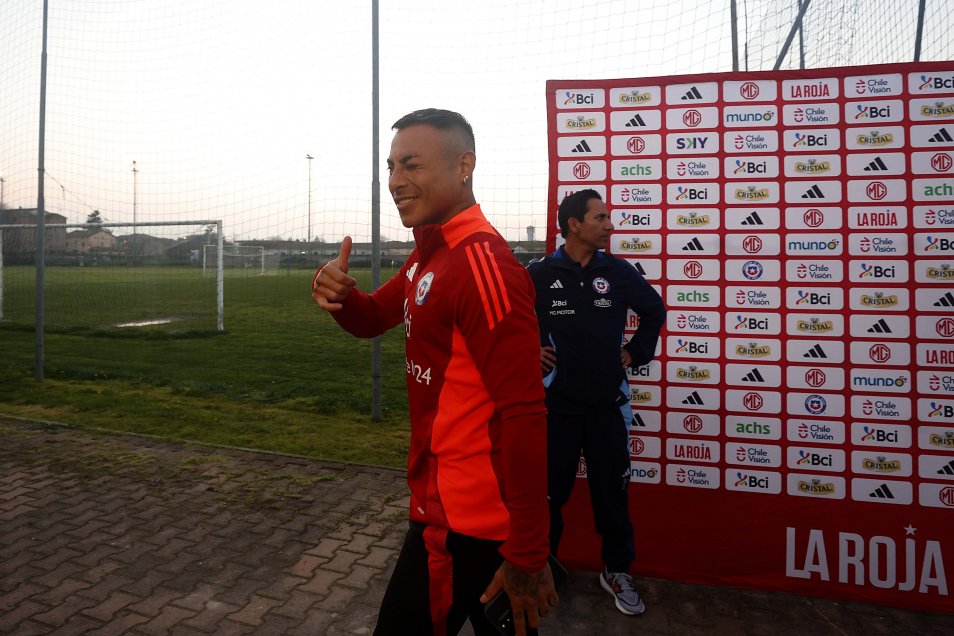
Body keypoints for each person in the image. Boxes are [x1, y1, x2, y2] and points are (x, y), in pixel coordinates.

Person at [311, 108, 557, 636]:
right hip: (438, 506)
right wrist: (341, 296)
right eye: (392, 166)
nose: (397, 181)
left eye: (413, 165)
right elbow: (375, 316)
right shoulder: (429, 255)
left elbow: (523, 411)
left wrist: (529, 550)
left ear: (464, 165)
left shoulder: (480, 264)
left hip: (473, 524)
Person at [527, 188, 665, 617]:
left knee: (612, 494)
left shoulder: (618, 271)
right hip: (556, 407)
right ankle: (542, 570)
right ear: (574, 225)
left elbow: (654, 311)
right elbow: (508, 319)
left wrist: (635, 352)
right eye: (600, 218)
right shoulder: (538, 272)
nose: (609, 225)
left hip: (607, 404)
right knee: (549, 496)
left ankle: (617, 570)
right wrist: (530, 348)